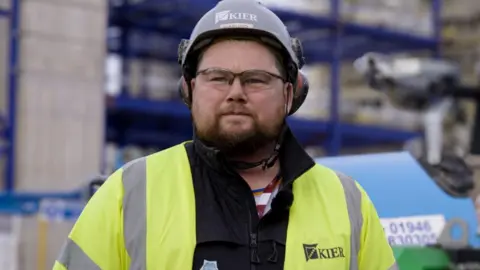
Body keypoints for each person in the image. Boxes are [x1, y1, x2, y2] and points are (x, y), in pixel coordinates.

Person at [53, 0, 397, 269]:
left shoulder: (348, 204)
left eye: (255, 79)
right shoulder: (127, 195)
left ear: (290, 95)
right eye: (217, 78)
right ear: (189, 91)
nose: (235, 92)